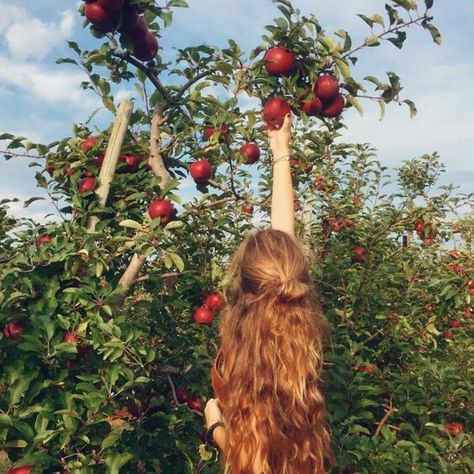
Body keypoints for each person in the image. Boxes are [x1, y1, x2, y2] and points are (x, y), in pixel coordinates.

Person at [204, 113, 334, 473]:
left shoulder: (242, 361)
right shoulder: (303, 334)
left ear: (242, 289)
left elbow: (253, 462)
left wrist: (215, 424)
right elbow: (284, 239)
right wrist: (280, 150)